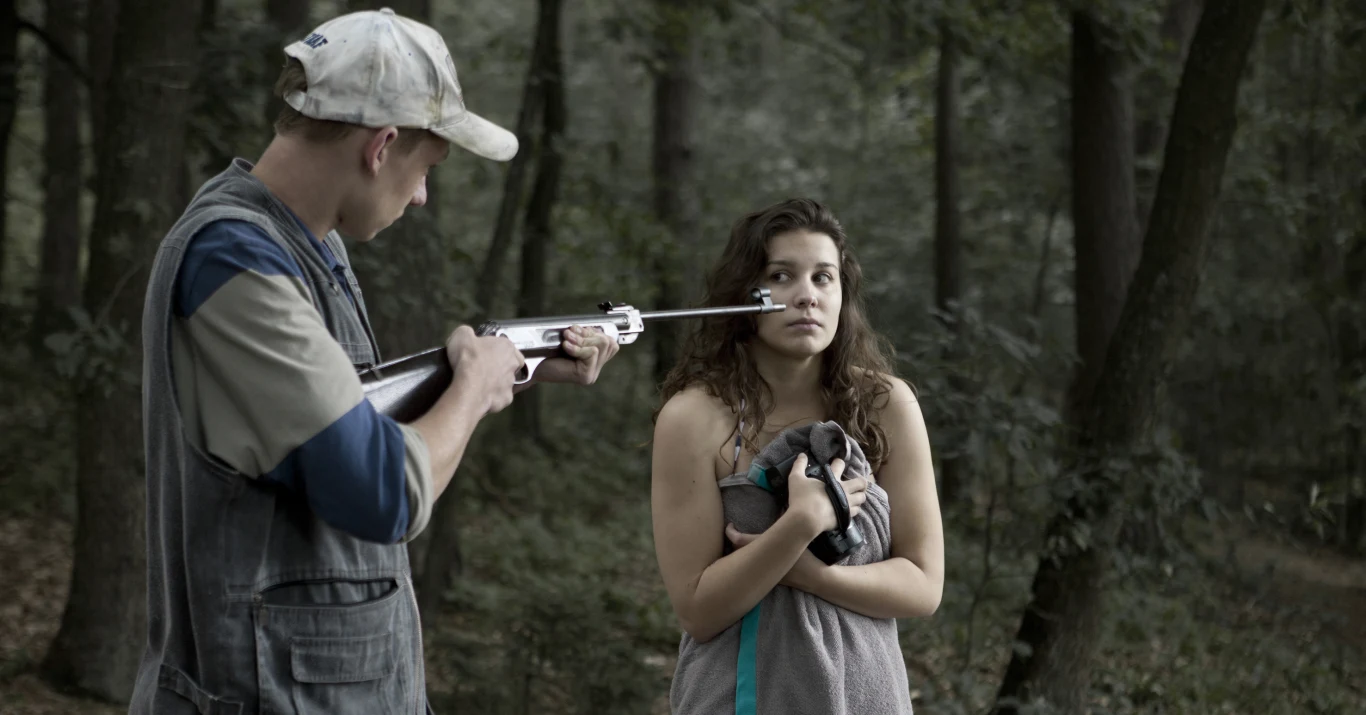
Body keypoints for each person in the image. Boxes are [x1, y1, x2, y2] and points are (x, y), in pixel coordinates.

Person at [129, 9, 619, 715]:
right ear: (382, 146)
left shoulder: (308, 245)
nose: (421, 195)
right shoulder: (235, 259)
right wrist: (473, 388)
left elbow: (343, 422)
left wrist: (517, 364)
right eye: (427, 169)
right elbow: (385, 489)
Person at [649, 198, 945, 714]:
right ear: (744, 297)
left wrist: (811, 575)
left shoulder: (886, 404)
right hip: (737, 697)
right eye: (782, 276)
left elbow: (923, 585)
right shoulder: (693, 417)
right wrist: (800, 522)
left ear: (842, 295)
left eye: (823, 277)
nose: (806, 295)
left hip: (865, 695)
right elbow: (698, 609)